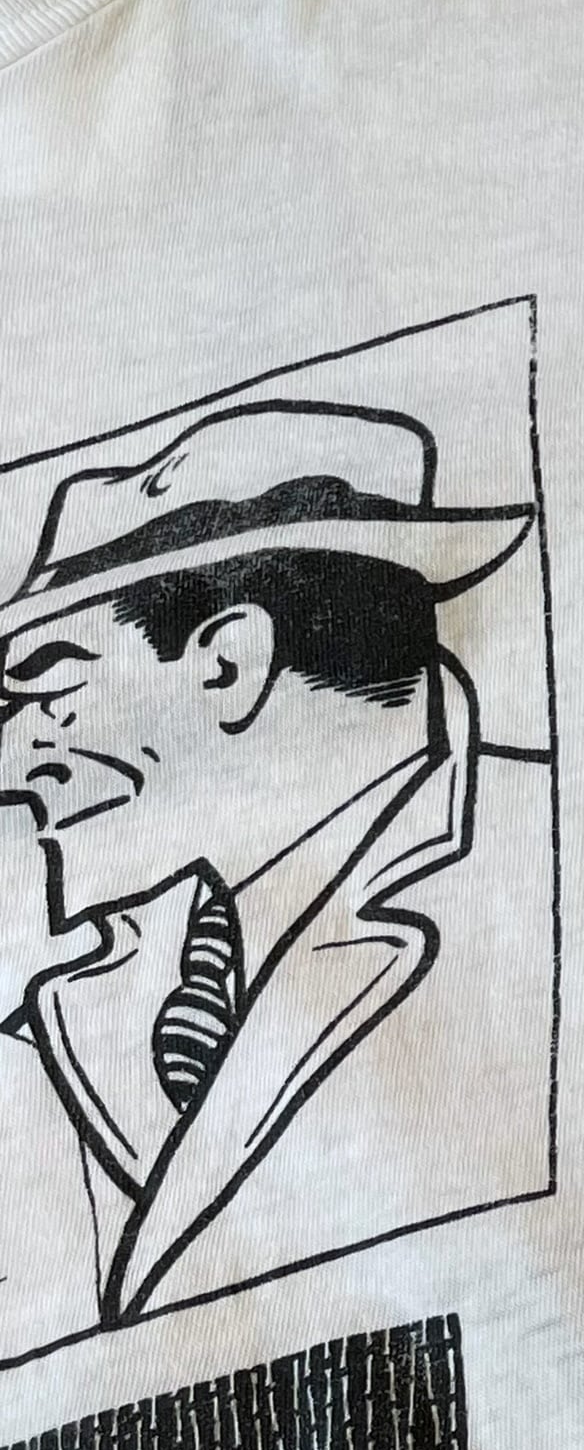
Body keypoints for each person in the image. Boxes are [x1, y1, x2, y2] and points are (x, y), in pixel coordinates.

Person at [0, 400, 552, 1357]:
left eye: (46, 687)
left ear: (229, 662)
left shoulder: (560, 890)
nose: (10, 760)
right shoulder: (62, 1019)